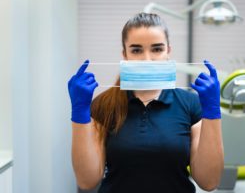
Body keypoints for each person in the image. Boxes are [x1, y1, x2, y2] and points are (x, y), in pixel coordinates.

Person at [68, 12, 224, 193]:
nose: (147, 59)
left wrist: (213, 111)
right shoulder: (104, 105)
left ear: (168, 52)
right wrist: (79, 113)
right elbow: (87, 181)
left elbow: (209, 181)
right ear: (124, 54)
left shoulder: (191, 104)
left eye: (157, 49)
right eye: (136, 50)